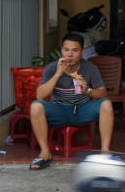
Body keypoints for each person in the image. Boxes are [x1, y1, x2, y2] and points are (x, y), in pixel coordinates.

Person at [29, 33, 113, 170]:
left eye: (75, 50)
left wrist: (88, 90)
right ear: (61, 51)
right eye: (66, 50)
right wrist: (57, 74)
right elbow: (40, 95)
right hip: (59, 110)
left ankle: (105, 153)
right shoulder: (52, 68)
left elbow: (103, 93)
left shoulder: (90, 68)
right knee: (36, 106)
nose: (70, 54)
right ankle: (45, 153)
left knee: (106, 104)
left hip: (82, 110)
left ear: (82, 52)